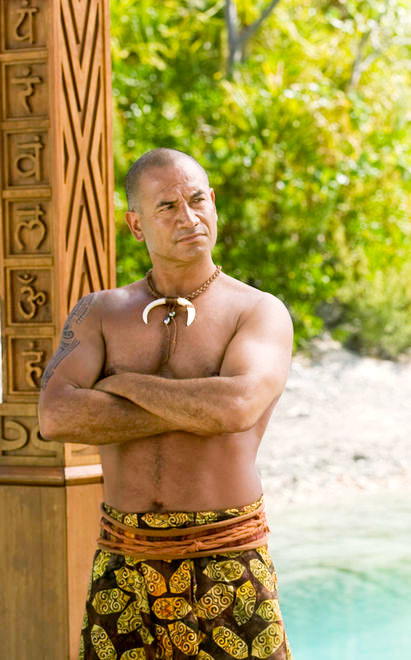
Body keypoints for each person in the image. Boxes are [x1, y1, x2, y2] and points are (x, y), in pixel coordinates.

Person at [39, 148, 294, 660]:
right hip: (124, 558)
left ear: (213, 202)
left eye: (197, 200)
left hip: (226, 555)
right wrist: (195, 409)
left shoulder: (257, 311)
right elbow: (56, 415)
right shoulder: (100, 311)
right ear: (135, 225)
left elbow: (236, 406)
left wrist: (122, 381)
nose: (189, 217)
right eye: (167, 206)